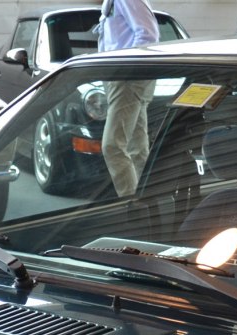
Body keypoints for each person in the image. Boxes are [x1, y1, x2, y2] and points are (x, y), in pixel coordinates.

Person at [96, 0, 159, 197]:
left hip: (126, 77)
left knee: (112, 146)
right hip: (121, 77)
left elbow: (148, 35)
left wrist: (124, 69)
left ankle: (132, 206)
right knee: (137, 148)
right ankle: (149, 201)